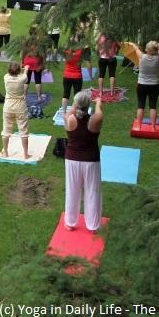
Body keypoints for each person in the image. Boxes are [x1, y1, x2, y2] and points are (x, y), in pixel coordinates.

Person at [64, 91, 104, 233]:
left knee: (72, 190)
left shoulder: (69, 118)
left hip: (72, 160)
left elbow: (72, 110)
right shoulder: (95, 119)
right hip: (91, 161)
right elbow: (99, 112)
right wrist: (98, 102)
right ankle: (92, 226)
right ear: (88, 106)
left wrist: (76, 103)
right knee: (92, 192)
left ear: (75, 105)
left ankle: (70, 222)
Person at [0, 62, 30, 160]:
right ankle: (25, 154)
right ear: (18, 70)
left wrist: (19, 69)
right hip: (20, 107)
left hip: (8, 107)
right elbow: (25, 75)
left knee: (6, 130)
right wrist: (25, 68)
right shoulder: (22, 78)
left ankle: (6, 153)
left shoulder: (6, 77)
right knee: (23, 130)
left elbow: (13, 73)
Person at [136, 41, 159, 130]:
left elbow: (136, 49)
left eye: (146, 48)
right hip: (154, 85)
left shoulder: (142, 56)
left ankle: (139, 127)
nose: (145, 49)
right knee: (153, 106)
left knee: (141, 105)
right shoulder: (157, 57)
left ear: (148, 50)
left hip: (141, 85)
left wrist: (133, 45)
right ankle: (153, 127)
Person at [61, 44, 91, 115]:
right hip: (77, 77)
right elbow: (87, 60)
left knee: (65, 95)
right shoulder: (80, 50)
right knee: (77, 96)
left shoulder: (66, 50)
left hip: (67, 76)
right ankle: (74, 112)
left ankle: (64, 113)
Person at [22, 28, 45, 99]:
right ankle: (38, 96)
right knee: (38, 80)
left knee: (26, 80)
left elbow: (23, 52)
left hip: (27, 61)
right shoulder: (39, 42)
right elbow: (42, 54)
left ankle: (24, 96)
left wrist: (22, 62)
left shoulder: (26, 42)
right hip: (36, 62)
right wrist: (42, 64)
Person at [96, 33, 121, 97]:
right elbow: (119, 45)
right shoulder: (113, 38)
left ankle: (101, 92)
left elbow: (97, 46)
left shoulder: (101, 37)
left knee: (101, 75)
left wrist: (99, 53)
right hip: (112, 58)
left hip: (102, 58)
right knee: (112, 75)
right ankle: (112, 92)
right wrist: (116, 52)